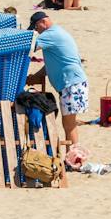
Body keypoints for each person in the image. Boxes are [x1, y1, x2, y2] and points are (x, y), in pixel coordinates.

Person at [28, 10, 89, 143]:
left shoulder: (50, 34)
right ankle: (72, 152)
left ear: (43, 22)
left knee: (69, 125)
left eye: (36, 27)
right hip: (74, 82)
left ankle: (73, 153)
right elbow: (51, 65)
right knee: (69, 123)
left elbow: (29, 47)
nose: (37, 31)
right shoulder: (57, 32)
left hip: (71, 83)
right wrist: (34, 77)